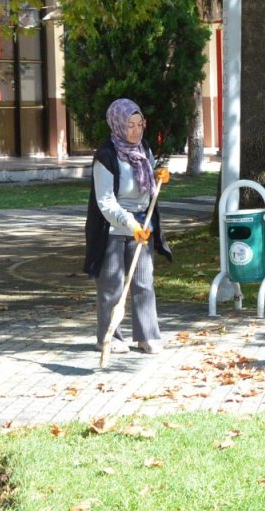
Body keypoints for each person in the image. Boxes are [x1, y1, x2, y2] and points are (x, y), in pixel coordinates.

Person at [84, 98, 173, 355]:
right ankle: (109, 337)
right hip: (112, 228)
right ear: (118, 125)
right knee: (111, 285)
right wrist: (129, 222)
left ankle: (147, 336)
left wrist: (158, 176)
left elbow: (146, 186)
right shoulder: (106, 156)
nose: (136, 131)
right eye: (130, 125)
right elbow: (105, 201)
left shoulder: (144, 149)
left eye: (139, 124)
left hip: (142, 224)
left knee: (144, 282)